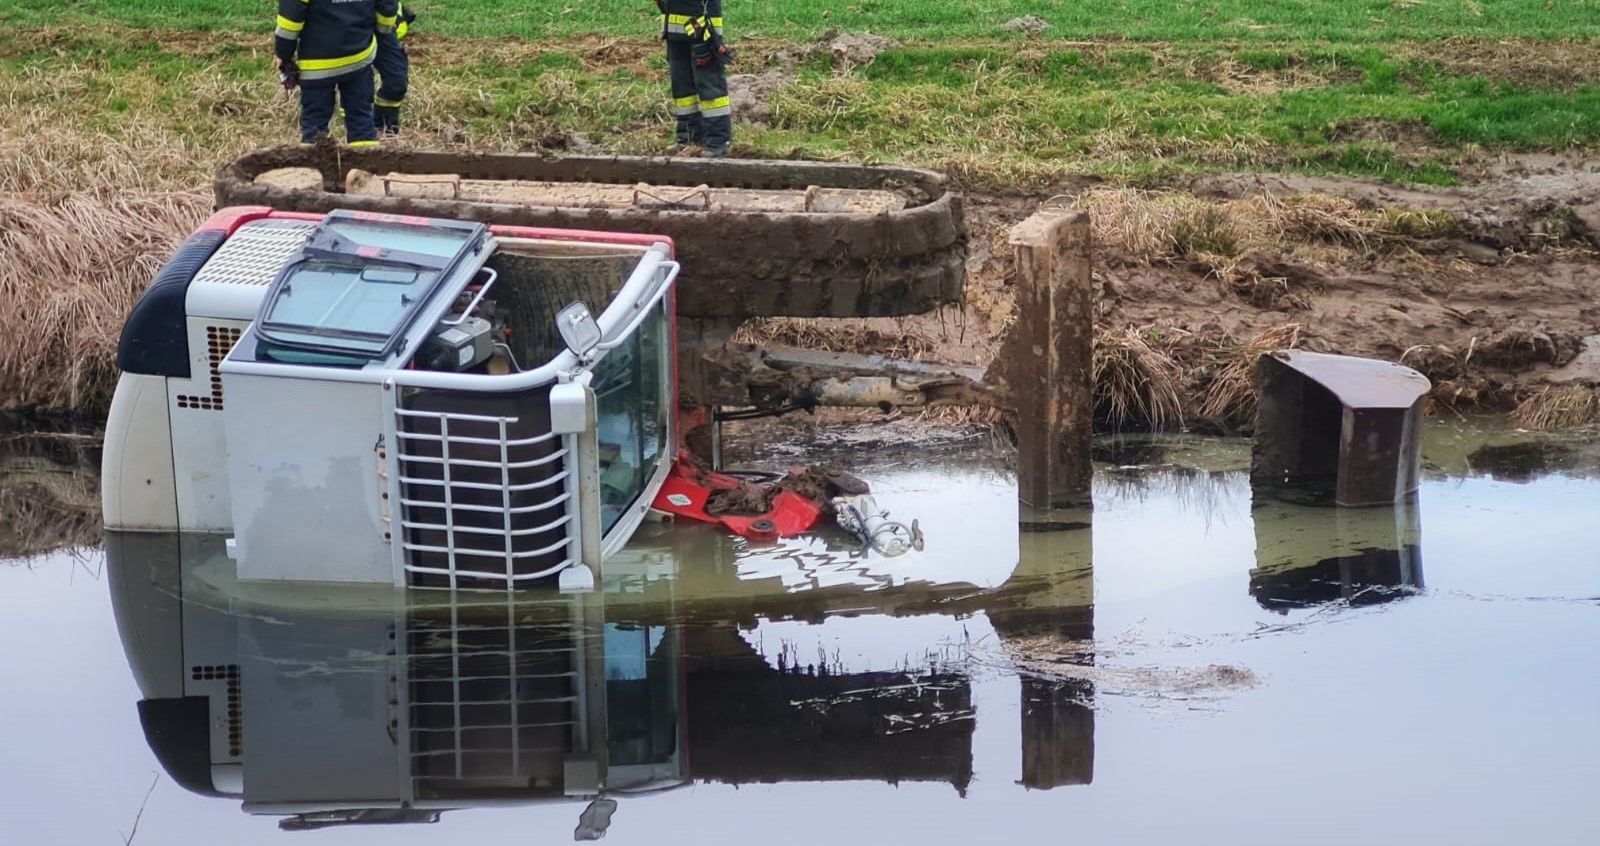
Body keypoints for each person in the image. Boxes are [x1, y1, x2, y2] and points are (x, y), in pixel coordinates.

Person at [274, 0, 400, 147]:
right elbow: (387, 8)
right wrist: (382, 31)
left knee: (314, 125)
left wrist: (284, 55)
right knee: (361, 120)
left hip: (317, 66)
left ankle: (313, 164)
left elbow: (289, 21)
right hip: (358, 59)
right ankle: (366, 165)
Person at [659, 0, 732, 157]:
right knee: (682, 89)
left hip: (702, 24)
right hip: (675, 26)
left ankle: (717, 142)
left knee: (709, 85)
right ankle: (688, 138)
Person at [374, 2, 416, 135]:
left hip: (382, 29)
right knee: (356, 87)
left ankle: (386, 129)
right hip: (344, 26)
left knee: (396, 81)